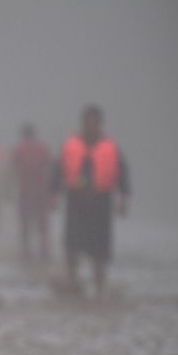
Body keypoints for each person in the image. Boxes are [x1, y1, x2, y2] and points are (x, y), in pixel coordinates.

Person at [52, 104, 130, 299]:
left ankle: (99, 288)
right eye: (88, 121)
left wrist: (123, 198)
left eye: (95, 121)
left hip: (100, 202)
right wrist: (53, 194)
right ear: (83, 123)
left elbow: (122, 175)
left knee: (99, 251)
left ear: (100, 124)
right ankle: (72, 283)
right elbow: (58, 169)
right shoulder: (70, 145)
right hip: (76, 201)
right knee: (72, 246)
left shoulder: (111, 147)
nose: (91, 125)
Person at [12, 123, 54, 265]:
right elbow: (50, 167)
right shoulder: (42, 149)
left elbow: (14, 169)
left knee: (25, 223)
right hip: (41, 190)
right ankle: (44, 250)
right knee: (42, 224)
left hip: (25, 190)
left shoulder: (19, 149)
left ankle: (26, 251)